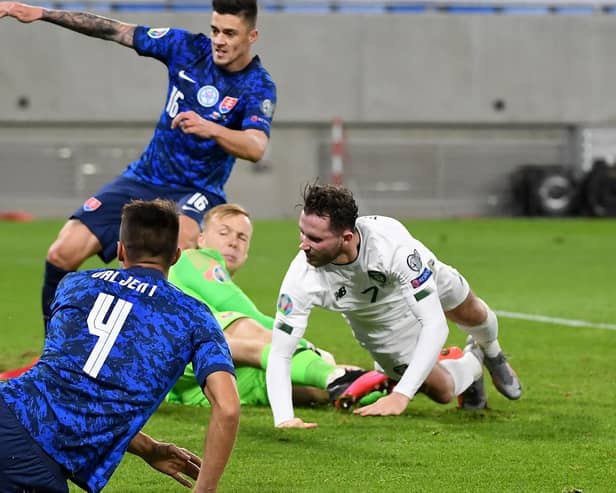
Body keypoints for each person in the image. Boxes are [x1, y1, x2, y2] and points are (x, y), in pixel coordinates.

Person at [0, 0, 276, 330]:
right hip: (145, 177)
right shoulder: (186, 47)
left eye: (230, 33)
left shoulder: (258, 85)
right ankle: (55, 350)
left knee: (180, 250)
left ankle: (163, 352)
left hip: (197, 190)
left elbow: (256, 147)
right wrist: (42, 13)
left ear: (252, 35)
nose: (220, 40)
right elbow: (113, 30)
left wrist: (212, 128)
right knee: (63, 251)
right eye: (215, 30)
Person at [0, 199, 240, 492]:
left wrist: (148, 448)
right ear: (176, 256)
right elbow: (227, 408)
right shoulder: (194, 316)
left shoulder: (74, 284)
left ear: (120, 250)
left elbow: (72, 388)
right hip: (30, 462)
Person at [266, 184, 522, 428]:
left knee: (471, 311)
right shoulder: (301, 278)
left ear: (346, 237)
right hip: (380, 324)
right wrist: (284, 419)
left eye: (315, 238)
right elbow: (280, 352)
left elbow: (435, 324)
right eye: (302, 232)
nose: (303, 244)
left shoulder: (390, 247)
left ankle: (492, 351)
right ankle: (473, 360)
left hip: (418, 276)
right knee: (443, 390)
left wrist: (401, 396)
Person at [166, 203, 369, 408]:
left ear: (247, 252)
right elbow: (248, 316)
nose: (233, 242)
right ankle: (332, 374)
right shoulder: (193, 259)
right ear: (201, 239)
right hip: (181, 349)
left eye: (242, 237)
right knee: (245, 327)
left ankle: (375, 386)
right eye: (224, 232)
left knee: (307, 388)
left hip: (188, 382)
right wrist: (308, 347)